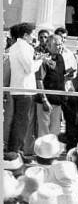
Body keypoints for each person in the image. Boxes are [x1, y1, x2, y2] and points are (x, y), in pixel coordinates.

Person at [8, 22, 46, 152]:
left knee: (19, 120)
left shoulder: (15, 46)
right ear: (25, 35)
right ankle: (15, 151)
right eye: (32, 34)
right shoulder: (24, 47)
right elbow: (29, 68)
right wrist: (41, 60)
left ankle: (15, 149)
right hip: (24, 89)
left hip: (19, 88)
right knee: (22, 122)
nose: (33, 36)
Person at [35, 34, 66, 137]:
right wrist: (44, 100)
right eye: (57, 45)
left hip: (57, 100)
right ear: (49, 45)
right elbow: (39, 80)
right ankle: (43, 153)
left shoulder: (60, 57)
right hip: (46, 101)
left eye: (60, 44)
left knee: (55, 131)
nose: (60, 47)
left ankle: (52, 153)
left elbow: (61, 76)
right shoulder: (43, 59)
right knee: (44, 132)